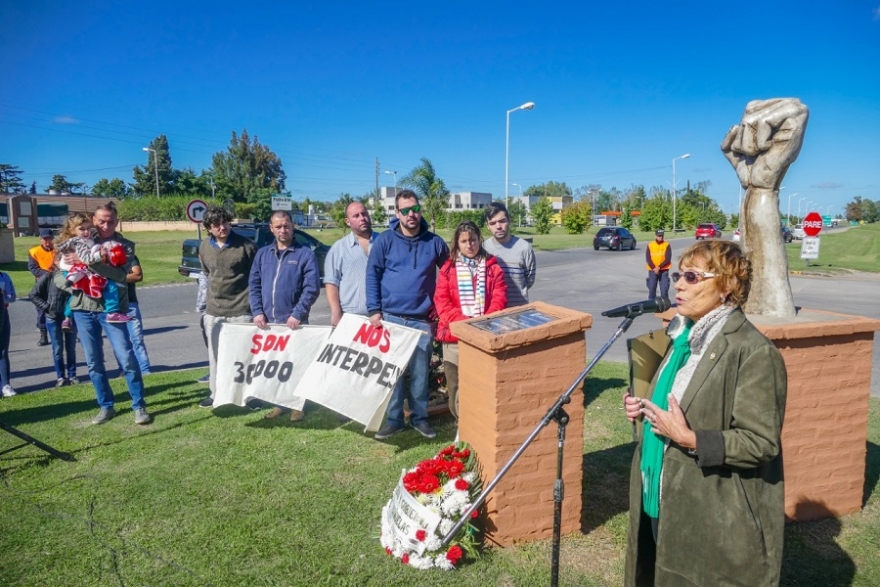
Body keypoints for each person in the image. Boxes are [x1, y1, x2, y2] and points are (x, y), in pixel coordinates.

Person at [622, 240, 786, 586]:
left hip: (704, 508)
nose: (678, 284)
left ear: (726, 286)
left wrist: (689, 438)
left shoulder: (752, 352)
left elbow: (761, 443)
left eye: (693, 277)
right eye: (680, 274)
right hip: (660, 491)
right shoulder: (682, 338)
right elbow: (675, 401)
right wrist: (643, 405)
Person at [366, 190, 449, 440]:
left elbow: (447, 277)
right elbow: (372, 274)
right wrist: (374, 310)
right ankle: (394, 420)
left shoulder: (434, 243)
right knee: (393, 374)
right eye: (404, 210)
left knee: (421, 374)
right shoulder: (385, 241)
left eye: (414, 208)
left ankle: (419, 418)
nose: (411, 214)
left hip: (421, 320)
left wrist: (441, 310)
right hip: (390, 318)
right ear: (396, 213)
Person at [55, 216, 151, 426]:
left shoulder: (105, 246)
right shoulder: (68, 250)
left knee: (126, 357)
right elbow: (58, 278)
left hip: (109, 311)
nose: (88, 231)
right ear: (72, 231)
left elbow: (119, 273)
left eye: (90, 227)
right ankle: (106, 406)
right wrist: (77, 283)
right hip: (82, 310)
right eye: (83, 228)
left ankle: (139, 406)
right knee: (94, 362)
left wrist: (86, 263)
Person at [249, 210, 321, 421]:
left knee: (296, 364)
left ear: (293, 226)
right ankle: (280, 403)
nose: (283, 230)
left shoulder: (304, 254)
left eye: (286, 226)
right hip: (269, 324)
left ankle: (298, 405)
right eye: (278, 226)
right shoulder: (262, 254)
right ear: (271, 228)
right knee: (276, 366)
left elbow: (311, 288)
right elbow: (254, 284)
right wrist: (257, 311)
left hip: (294, 323)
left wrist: (298, 313)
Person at [434, 221, 507, 422]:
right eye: (464, 241)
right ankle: (462, 423)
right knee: (456, 383)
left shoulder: (492, 267)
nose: (469, 245)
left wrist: (484, 322)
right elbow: (442, 302)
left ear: (479, 240)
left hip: (484, 334)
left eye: (473, 240)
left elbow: (499, 296)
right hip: (454, 337)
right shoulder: (448, 269)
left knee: (483, 382)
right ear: (457, 244)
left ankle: (480, 423)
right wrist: (466, 323)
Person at [198, 206, 257, 408]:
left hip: (241, 310)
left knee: (245, 356)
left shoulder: (246, 246)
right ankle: (215, 394)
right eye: (216, 225)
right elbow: (208, 273)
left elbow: (255, 277)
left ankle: (249, 396)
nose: (222, 227)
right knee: (215, 356)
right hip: (214, 311)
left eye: (225, 222)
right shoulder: (204, 246)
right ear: (208, 228)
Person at [92, 204, 151, 375]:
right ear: (93, 220)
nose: (105, 226)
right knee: (99, 349)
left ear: (117, 222)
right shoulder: (86, 244)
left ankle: (145, 373)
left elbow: (136, 275)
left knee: (134, 341)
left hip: (125, 302)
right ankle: (123, 372)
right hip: (93, 304)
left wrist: (101, 275)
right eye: (101, 221)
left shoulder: (125, 247)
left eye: (110, 222)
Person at [324, 201, 377, 326]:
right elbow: (331, 283)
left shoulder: (384, 242)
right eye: (356, 216)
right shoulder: (339, 248)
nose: (362, 218)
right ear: (347, 222)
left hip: (382, 316)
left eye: (364, 214)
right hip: (351, 318)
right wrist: (336, 313)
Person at [30, 253, 78, 388]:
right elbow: (33, 295)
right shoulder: (49, 276)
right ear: (56, 261)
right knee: (57, 349)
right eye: (63, 259)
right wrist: (47, 307)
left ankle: (72, 375)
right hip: (53, 318)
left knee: (71, 348)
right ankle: (61, 377)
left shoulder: (74, 276)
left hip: (70, 318)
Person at [483, 202, 536, 307]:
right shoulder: (483, 248)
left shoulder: (525, 248)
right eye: (492, 223)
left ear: (509, 220)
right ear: (487, 226)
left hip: (519, 310)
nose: (498, 226)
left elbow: (529, 280)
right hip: (493, 312)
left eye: (502, 221)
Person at [28, 228, 56, 346]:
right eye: (45, 239)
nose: (48, 241)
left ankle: (63, 331)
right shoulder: (34, 251)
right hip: (42, 284)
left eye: (50, 238)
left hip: (57, 283)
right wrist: (47, 274)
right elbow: (33, 268)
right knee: (41, 309)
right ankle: (43, 334)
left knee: (60, 307)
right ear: (41, 239)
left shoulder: (58, 250)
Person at [0, 269, 17, 397]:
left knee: (3, 351)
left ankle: (5, 384)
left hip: (3, 314)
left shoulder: (4, 276)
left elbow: (12, 297)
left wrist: (3, 295)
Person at [645, 229, 672, 301]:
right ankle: (651, 303)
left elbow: (668, 258)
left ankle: (665, 303)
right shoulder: (650, 245)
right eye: (659, 236)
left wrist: (659, 267)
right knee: (652, 288)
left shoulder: (667, 245)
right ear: (656, 236)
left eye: (662, 236)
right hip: (652, 270)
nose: (661, 237)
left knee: (664, 289)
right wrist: (654, 268)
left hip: (663, 270)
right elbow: (648, 258)